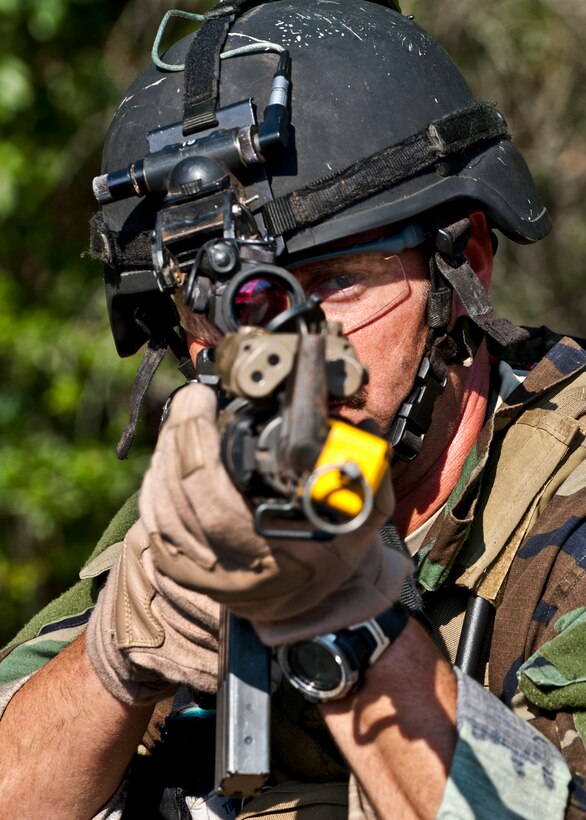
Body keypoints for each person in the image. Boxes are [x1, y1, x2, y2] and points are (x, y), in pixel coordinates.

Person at [0, 0, 584, 818]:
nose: (279, 345)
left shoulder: (571, 495)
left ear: (467, 271)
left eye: (331, 285)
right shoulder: (208, 505)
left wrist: (350, 617)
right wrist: (118, 652)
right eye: (223, 307)